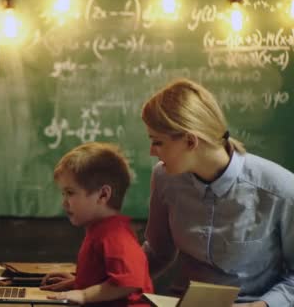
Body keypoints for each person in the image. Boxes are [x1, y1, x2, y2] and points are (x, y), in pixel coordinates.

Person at [141, 78, 294, 307]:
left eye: (157, 142)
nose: (152, 151)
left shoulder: (280, 188)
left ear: (190, 141)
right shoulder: (165, 178)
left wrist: (261, 306)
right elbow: (157, 252)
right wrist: (101, 279)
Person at [40, 142, 153, 306]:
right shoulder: (100, 230)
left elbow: (130, 281)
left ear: (103, 195)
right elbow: (109, 280)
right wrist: (78, 283)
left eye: (70, 193)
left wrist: (84, 294)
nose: (64, 203)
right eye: (63, 193)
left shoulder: (115, 235)